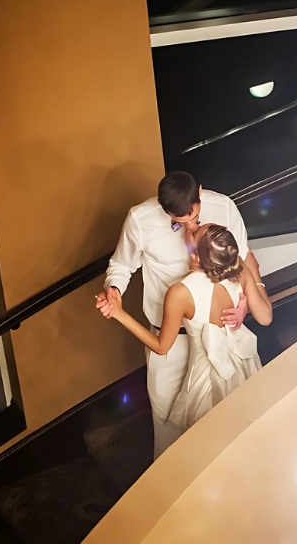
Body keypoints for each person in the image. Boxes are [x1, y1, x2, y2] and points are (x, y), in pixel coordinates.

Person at [96, 172, 264, 458]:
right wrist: (113, 290)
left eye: (194, 219)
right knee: (168, 433)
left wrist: (248, 299)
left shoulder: (224, 207)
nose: (189, 229)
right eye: (179, 222)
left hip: (223, 341)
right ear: (162, 208)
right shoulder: (140, 219)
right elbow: (121, 266)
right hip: (168, 343)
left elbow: (245, 258)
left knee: (232, 429)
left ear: (200, 192)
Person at [98, 224, 272, 431]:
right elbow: (265, 318)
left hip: (206, 380)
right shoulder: (238, 268)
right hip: (245, 364)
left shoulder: (181, 292)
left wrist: (119, 313)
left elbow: (161, 346)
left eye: (195, 232)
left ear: (196, 255)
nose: (192, 228)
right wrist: (253, 277)